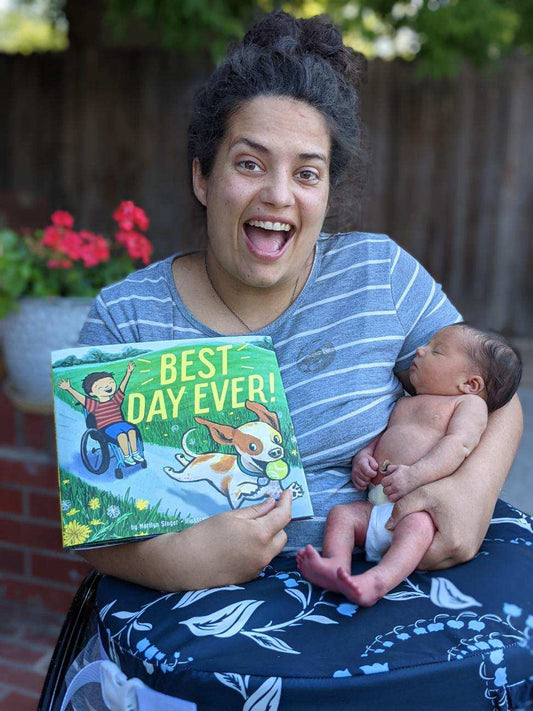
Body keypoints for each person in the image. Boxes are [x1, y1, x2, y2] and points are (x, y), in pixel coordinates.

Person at [67, 10, 526, 709]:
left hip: (390, 604)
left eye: (305, 173)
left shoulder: (381, 273)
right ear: (202, 175)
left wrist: (470, 491)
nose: (278, 195)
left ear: (326, 190)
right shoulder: (126, 320)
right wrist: (181, 557)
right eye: (249, 163)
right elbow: (93, 525)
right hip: (208, 641)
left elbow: (492, 391)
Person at [296, 323, 522, 606]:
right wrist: (364, 457)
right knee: (343, 515)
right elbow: (383, 437)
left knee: (417, 529)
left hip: (419, 508)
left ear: (470, 384)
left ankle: (378, 581)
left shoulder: (466, 406)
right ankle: (335, 565)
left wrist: (415, 475)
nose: (420, 349)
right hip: (377, 509)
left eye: (436, 351)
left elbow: (458, 445)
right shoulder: (406, 402)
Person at [57, 362, 144, 465]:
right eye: (100, 386)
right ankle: (126, 457)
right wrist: (69, 388)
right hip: (106, 427)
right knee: (121, 436)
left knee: (132, 431)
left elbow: (122, 388)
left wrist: (128, 373)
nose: (107, 386)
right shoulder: (94, 405)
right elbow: (82, 399)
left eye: (110, 382)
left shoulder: (115, 400)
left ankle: (135, 453)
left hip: (120, 423)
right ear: (92, 393)